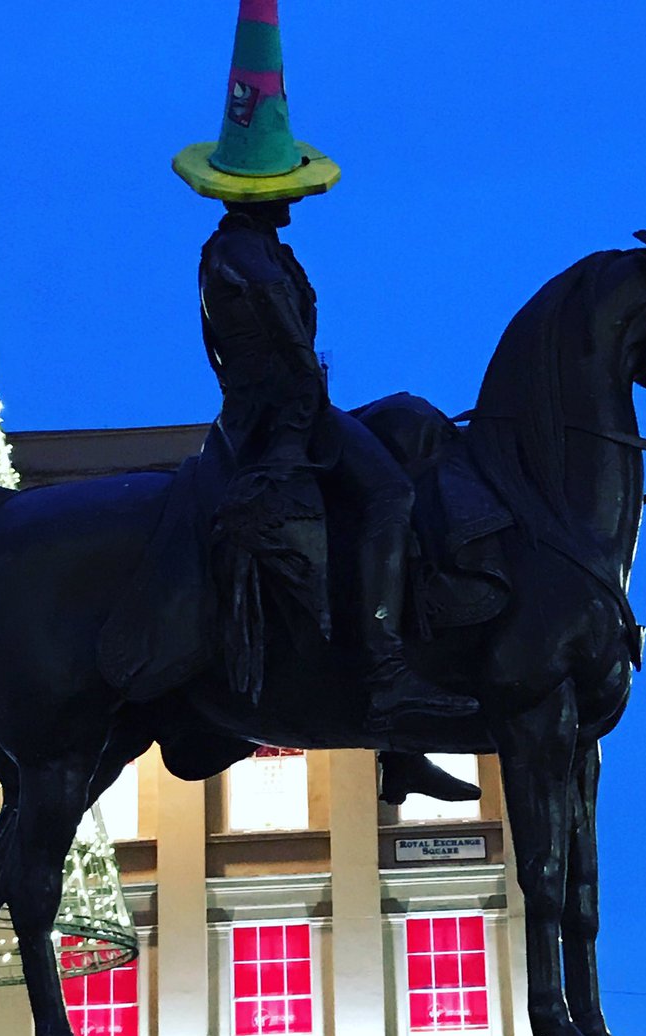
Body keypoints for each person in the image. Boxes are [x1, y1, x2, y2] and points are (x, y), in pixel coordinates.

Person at [174, 0, 477, 733]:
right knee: (389, 497)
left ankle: (398, 719)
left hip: (282, 414)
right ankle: (385, 671)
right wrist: (315, 426)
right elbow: (294, 365)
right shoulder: (255, 260)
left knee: (407, 421)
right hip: (284, 424)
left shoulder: (239, 250)